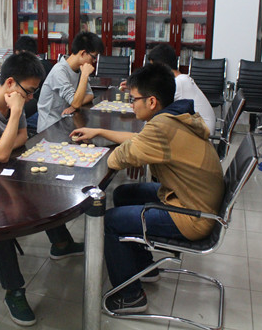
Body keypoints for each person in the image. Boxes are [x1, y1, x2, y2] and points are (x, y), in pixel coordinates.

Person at [70, 63, 224, 314]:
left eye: (134, 99)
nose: (131, 105)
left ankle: (130, 297)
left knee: (110, 221)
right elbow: (140, 141)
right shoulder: (176, 116)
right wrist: (100, 132)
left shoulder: (161, 126)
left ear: (152, 101)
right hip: (193, 198)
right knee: (123, 193)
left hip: (193, 215)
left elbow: (117, 159)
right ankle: (144, 267)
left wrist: (125, 154)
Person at [0, 52, 84, 326]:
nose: (30, 98)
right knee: (2, 221)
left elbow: (19, 139)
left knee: (40, 187)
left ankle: (61, 243)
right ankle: (14, 291)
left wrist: (6, 140)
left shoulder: (13, 103)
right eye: (28, 91)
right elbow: (1, 153)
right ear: (10, 83)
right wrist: (15, 116)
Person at [122, 44, 216, 133]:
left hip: (202, 134)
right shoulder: (182, 79)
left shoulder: (180, 82)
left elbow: (153, 102)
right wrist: (136, 86)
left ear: (162, 67)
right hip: (198, 130)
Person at [36, 31, 103, 133]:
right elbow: (76, 103)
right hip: (50, 128)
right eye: (93, 57)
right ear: (83, 53)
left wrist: (74, 105)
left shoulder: (79, 69)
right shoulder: (59, 71)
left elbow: (89, 95)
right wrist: (84, 75)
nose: (94, 61)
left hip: (67, 121)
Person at [13, 35, 51, 134]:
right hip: (50, 112)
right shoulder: (47, 64)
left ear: (22, 53)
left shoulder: (29, 69)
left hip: (39, 113)